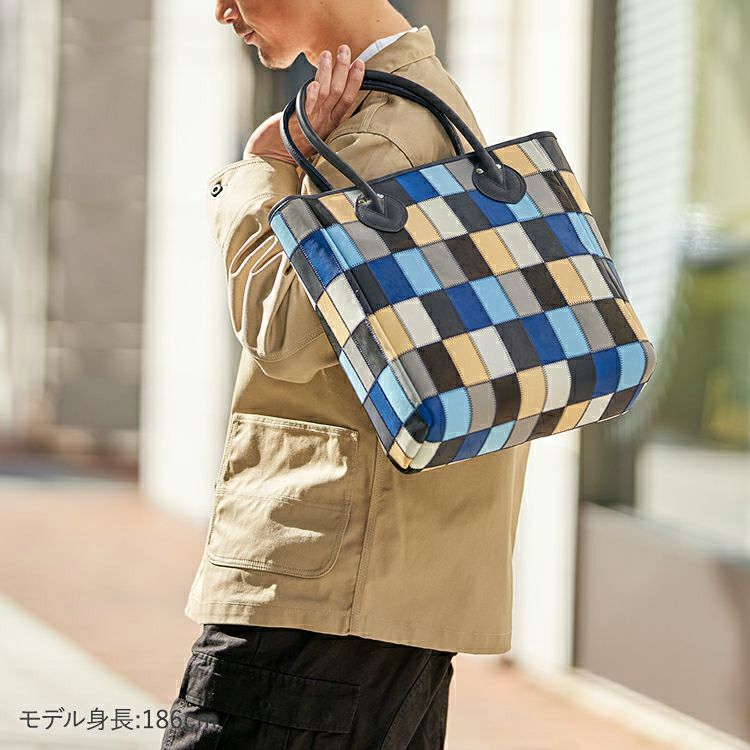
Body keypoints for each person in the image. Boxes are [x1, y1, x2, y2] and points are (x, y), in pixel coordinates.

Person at [161, 2, 531, 747]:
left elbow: (284, 331)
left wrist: (263, 168)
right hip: (378, 583)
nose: (222, 10)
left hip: (326, 586)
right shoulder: (420, 103)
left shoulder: (378, 136)